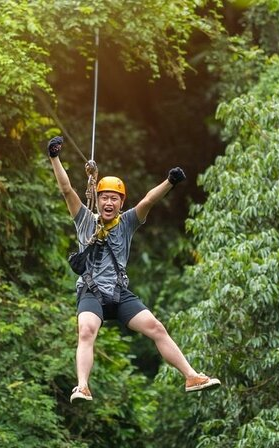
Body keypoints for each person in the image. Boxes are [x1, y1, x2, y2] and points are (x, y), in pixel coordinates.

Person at [47, 135, 221, 403]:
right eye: (104, 197)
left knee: (156, 327)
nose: (108, 203)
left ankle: (191, 376)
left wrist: (170, 182)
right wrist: (54, 157)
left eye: (114, 199)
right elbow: (66, 189)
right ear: (96, 197)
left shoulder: (127, 222)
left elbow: (148, 201)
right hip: (91, 292)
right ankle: (82, 386)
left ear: (121, 202)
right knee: (86, 331)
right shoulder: (84, 219)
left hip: (118, 293)